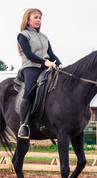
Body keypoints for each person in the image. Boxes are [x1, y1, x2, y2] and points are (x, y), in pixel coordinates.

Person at [17, 8, 64, 138]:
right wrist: (45, 63)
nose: (38, 20)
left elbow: (51, 54)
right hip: (30, 67)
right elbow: (28, 54)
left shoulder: (44, 37)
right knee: (30, 90)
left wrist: (60, 64)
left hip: (45, 67)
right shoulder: (23, 35)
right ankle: (23, 124)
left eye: (40, 18)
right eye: (36, 17)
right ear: (27, 19)